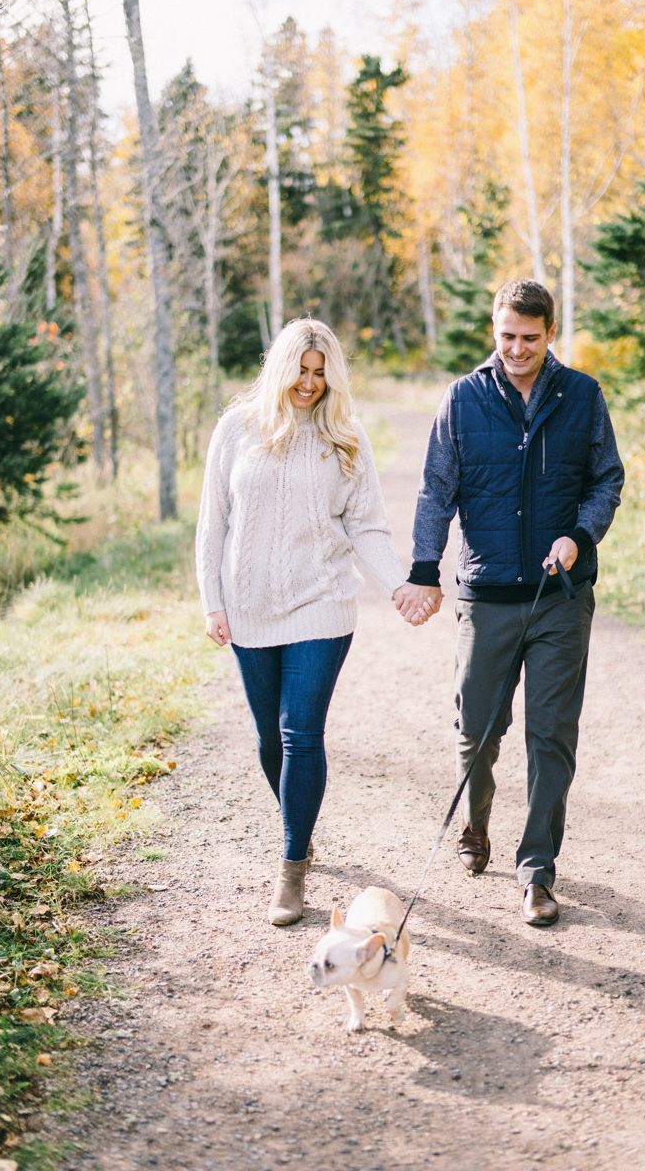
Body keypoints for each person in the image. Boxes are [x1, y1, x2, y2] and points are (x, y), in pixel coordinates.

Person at [396, 279, 624, 926]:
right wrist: (424, 569)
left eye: (529, 337)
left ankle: (536, 871)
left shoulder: (581, 396)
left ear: (550, 332)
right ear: (493, 332)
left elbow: (607, 477)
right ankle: (476, 822)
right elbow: (436, 490)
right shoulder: (464, 399)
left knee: (551, 736)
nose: (517, 349)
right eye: (506, 337)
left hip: (560, 597)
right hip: (486, 595)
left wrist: (579, 535)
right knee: (476, 732)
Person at [195, 318, 416, 927]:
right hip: (249, 608)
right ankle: (301, 826)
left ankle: (291, 869)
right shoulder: (235, 430)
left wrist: (396, 585)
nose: (311, 385)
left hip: (322, 605)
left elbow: (366, 524)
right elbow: (213, 523)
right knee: (270, 740)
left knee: (301, 734)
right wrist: (212, 600)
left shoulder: (344, 436)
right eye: (302, 371)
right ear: (280, 368)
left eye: (321, 375)